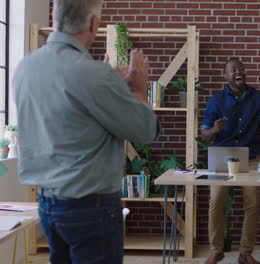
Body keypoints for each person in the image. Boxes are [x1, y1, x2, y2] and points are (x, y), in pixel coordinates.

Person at [12, 0, 159, 263]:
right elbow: (146, 130)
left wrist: (106, 84)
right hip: (90, 208)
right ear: (93, 23)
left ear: (56, 18)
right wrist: (136, 91)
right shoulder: (94, 75)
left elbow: (67, 121)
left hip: (47, 204)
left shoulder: (25, 68)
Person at [201, 58, 260, 264]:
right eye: (233, 70)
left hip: (250, 156)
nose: (239, 71)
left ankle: (245, 253)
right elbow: (205, 134)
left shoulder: (257, 97)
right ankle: (216, 250)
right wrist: (215, 129)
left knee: (253, 204)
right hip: (223, 155)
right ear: (226, 76)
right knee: (216, 202)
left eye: (241, 68)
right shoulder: (216, 100)